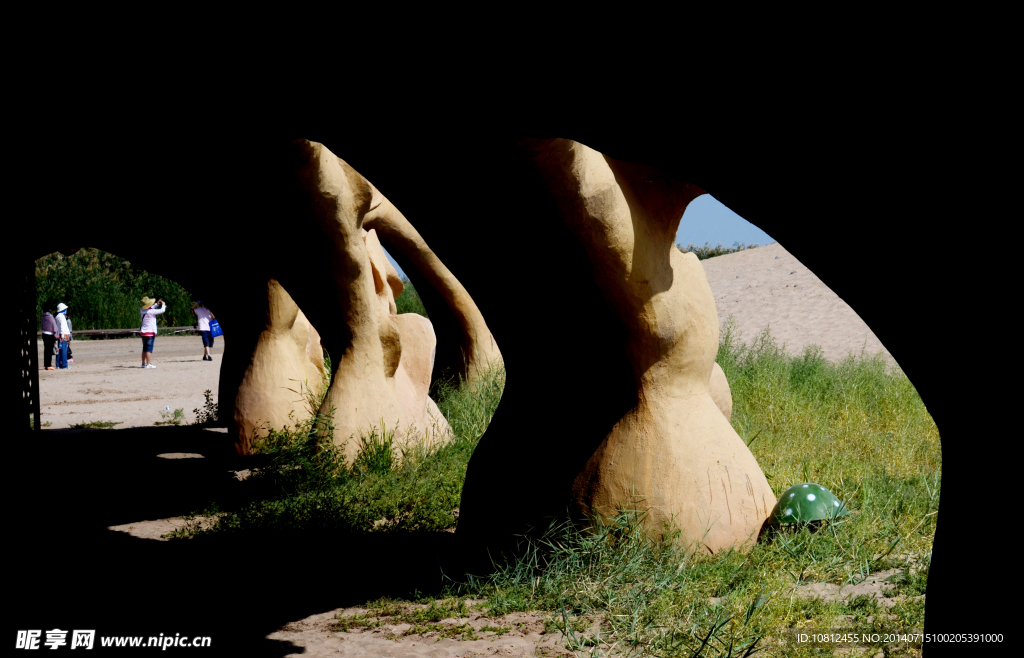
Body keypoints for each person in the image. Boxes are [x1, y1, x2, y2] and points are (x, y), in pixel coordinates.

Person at [139, 296, 166, 368]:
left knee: (144, 348)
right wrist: (163, 304)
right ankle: (148, 364)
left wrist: (156, 304)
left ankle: (143, 363)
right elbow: (162, 310)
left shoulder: (142, 310)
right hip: (150, 332)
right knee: (149, 349)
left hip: (143, 332)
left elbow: (150, 308)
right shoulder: (152, 312)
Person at [40, 303, 58, 371]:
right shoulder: (50, 316)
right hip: (50, 335)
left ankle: (46, 364)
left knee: (46, 350)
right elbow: (54, 325)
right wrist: (56, 334)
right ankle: (48, 365)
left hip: (44, 334)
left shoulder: (43, 316)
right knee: (49, 350)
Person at [55, 303, 71, 370]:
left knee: (59, 350)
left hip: (60, 334)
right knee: (64, 350)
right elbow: (62, 327)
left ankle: (58, 364)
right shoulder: (62, 316)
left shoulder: (57, 316)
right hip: (64, 335)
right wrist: (63, 335)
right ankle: (64, 365)